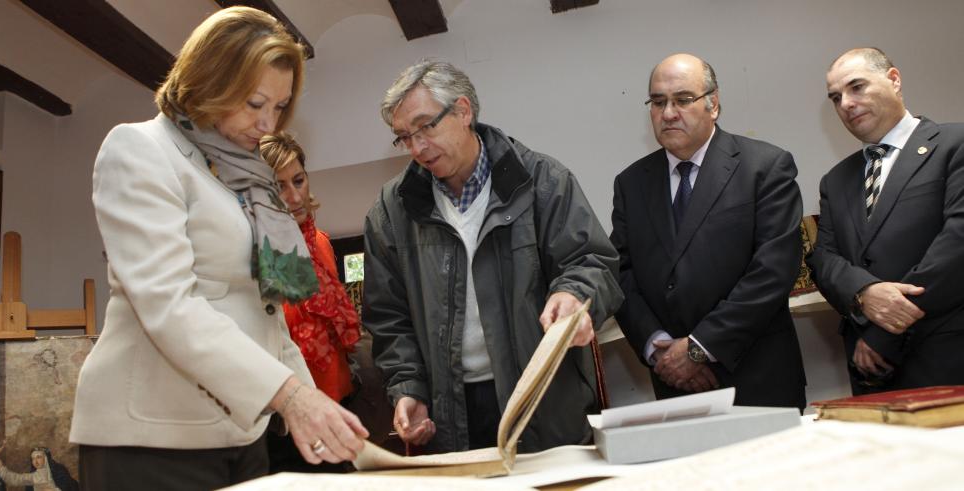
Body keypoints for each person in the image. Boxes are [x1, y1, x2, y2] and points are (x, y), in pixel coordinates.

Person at [69, 7, 367, 489]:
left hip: (238, 430)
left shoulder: (245, 176)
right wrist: (289, 396)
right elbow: (168, 304)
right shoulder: (141, 150)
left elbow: (266, 314)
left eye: (279, 106)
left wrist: (315, 407)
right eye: (254, 103)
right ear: (210, 79)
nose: (268, 124)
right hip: (152, 439)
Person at [363, 60, 623, 454]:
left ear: (464, 111)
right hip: (448, 410)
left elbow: (590, 261)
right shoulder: (391, 210)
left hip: (543, 398)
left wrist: (574, 293)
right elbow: (388, 317)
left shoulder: (543, 181)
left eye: (426, 127)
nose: (417, 148)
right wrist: (407, 388)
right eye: (404, 137)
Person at [610, 53, 806, 409]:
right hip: (674, 386)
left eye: (683, 100)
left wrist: (700, 348)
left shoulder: (765, 167)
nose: (668, 113)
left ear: (713, 105)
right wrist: (659, 349)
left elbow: (774, 270)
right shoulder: (631, 183)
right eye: (657, 102)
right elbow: (621, 275)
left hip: (757, 379)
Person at [807, 47, 964, 394]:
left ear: (893, 80)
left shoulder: (955, 145)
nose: (846, 103)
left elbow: (956, 245)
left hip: (944, 355)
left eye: (857, 87)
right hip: (870, 372)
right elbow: (824, 259)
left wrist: (884, 332)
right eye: (835, 97)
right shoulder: (835, 179)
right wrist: (862, 293)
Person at [259, 132, 363, 472]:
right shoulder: (256, 256)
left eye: (299, 180)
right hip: (288, 423)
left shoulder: (320, 243)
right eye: (280, 186)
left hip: (340, 406)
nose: (294, 196)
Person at [0, 447, 79, 491]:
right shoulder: (33, 476)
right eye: (33, 458)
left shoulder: (59, 471)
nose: (35, 461)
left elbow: (70, 487)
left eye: (38, 457)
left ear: (46, 458)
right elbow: (17, 479)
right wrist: (2, 468)